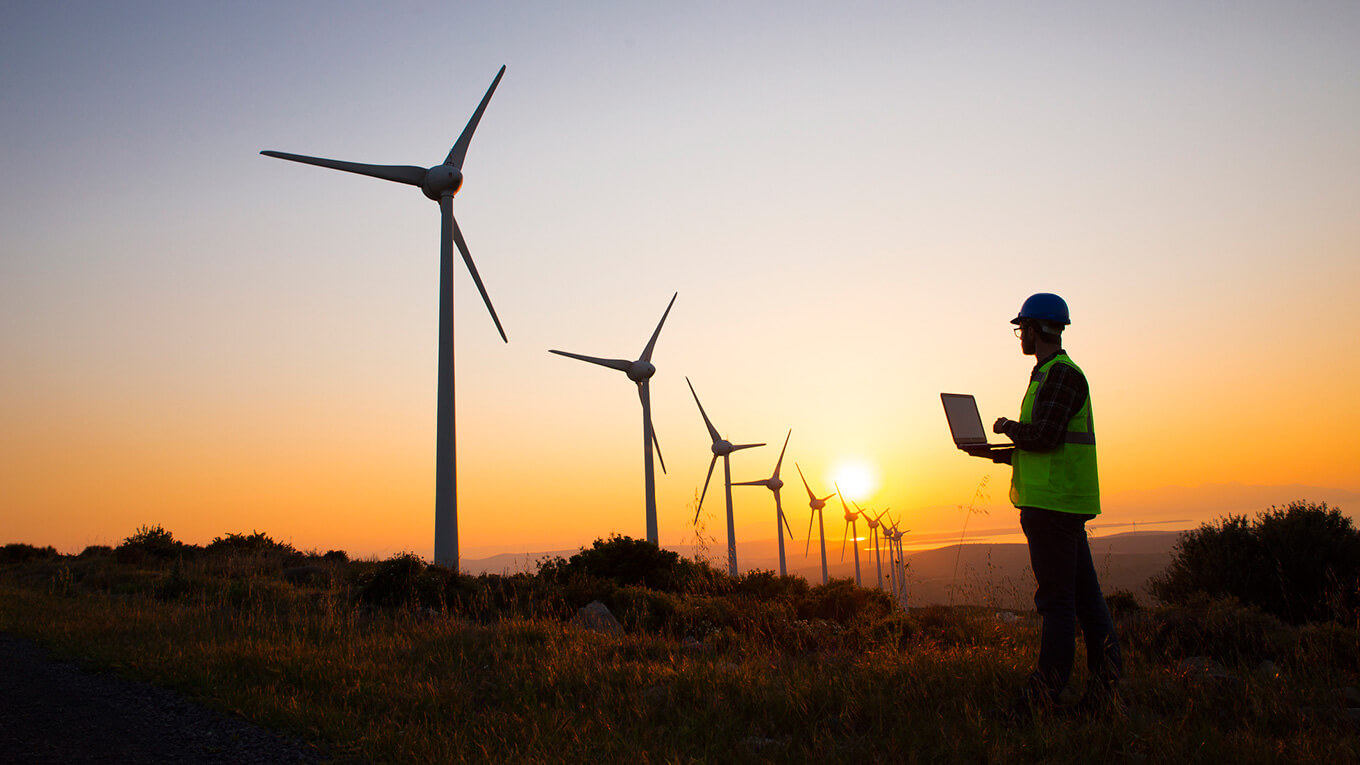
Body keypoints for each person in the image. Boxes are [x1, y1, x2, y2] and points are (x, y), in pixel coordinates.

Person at [963, 292, 1122, 718]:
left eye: (1021, 329)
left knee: (1057, 604)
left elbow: (1045, 436)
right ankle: (1107, 692)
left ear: (1035, 329)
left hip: (1055, 507)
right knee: (1086, 601)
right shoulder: (1049, 375)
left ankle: (1043, 695)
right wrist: (992, 452)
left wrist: (1005, 427)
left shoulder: (1061, 376)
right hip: (1058, 504)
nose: (1020, 336)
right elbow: (1043, 445)